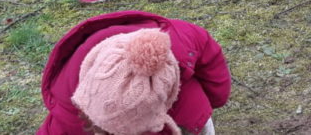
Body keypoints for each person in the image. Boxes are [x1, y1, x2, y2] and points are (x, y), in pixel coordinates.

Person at [38, 10, 231, 135]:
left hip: (185, 115)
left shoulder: (179, 41)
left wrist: (215, 98)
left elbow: (210, 59)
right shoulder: (69, 99)